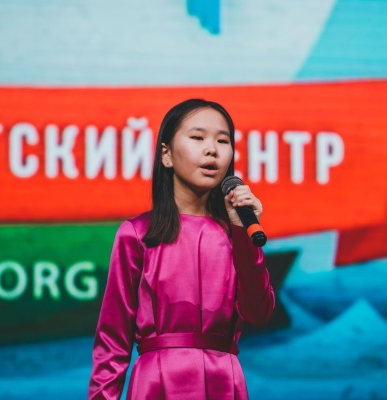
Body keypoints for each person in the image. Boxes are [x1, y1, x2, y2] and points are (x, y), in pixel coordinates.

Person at [88, 98, 276, 399]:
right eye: (198, 137)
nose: (212, 149)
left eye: (223, 140)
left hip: (223, 382)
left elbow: (259, 313)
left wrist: (242, 233)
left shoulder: (237, 234)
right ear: (166, 155)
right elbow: (113, 341)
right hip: (157, 381)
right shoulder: (138, 233)